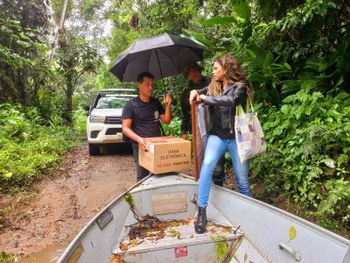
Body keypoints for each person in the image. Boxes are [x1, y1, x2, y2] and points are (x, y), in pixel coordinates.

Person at [189, 55, 253, 234]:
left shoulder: (241, 86)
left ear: (226, 68)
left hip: (237, 138)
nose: (213, 71)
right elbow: (202, 90)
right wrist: (194, 92)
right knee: (207, 167)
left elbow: (231, 101)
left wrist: (206, 99)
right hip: (217, 135)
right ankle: (202, 211)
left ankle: (247, 213)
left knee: (242, 180)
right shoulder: (214, 85)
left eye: (216, 68)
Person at [181, 62, 226, 187]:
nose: (194, 74)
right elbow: (185, 114)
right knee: (200, 155)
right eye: (191, 73)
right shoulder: (186, 92)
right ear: (187, 75)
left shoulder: (211, 82)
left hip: (215, 122)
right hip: (197, 127)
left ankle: (218, 184)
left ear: (200, 71)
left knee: (216, 155)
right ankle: (203, 183)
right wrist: (184, 131)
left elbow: (218, 93)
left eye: (196, 71)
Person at [122, 72, 172, 181]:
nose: (150, 88)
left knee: (160, 174)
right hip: (141, 146)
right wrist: (139, 139)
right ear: (139, 85)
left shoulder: (155, 102)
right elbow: (125, 129)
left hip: (157, 144)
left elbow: (167, 121)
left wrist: (168, 105)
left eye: (152, 85)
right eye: (147, 84)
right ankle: (141, 197)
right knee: (143, 177)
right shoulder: (131, 105)